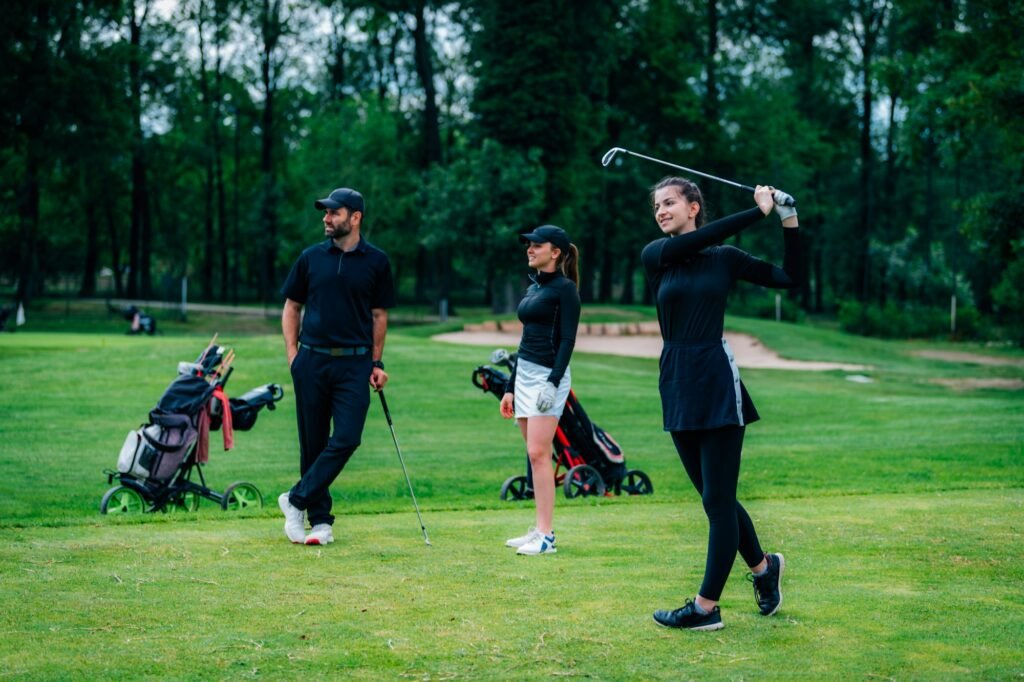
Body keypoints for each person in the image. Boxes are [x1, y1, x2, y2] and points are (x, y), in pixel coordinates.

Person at [642, 177, 800, 630]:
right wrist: (757, 212)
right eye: (657, 205)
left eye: (669, 202)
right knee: (716, 499)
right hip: (675, 379)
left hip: (715, 378)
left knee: (717, 500)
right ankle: (764, 569)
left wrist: (787, 219)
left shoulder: (725, 259)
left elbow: (789, 278)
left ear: (694, 206)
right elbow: (702, 239)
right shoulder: (657, 256)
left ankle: (705, 608)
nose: (661, 210)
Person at [278, 187, 396, 546]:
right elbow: (291, 308)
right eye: (325, 213)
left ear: (355, 217)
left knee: (346, 438)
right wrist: (292, 356)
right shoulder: (311, 258)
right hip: (311, 360)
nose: (326, 219)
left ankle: (295, 499)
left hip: (354, 364)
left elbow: (379, 316)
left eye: (334, 212)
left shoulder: (377, 261)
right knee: (312, 443)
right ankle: (320, 521)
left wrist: (376, 361)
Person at [500, 225, 581, 556]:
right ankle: (538, 528)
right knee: (536, 457)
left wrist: (553, 381)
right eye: (528, 245)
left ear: (556, 252)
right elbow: (525, 341)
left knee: (538, 453)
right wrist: (509, 387)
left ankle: (546, 536)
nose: (530, 249)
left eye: (537, 245)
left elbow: (567, 341)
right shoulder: (533, 288)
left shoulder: (565, 290)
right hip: (525, 376)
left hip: (549, 377)